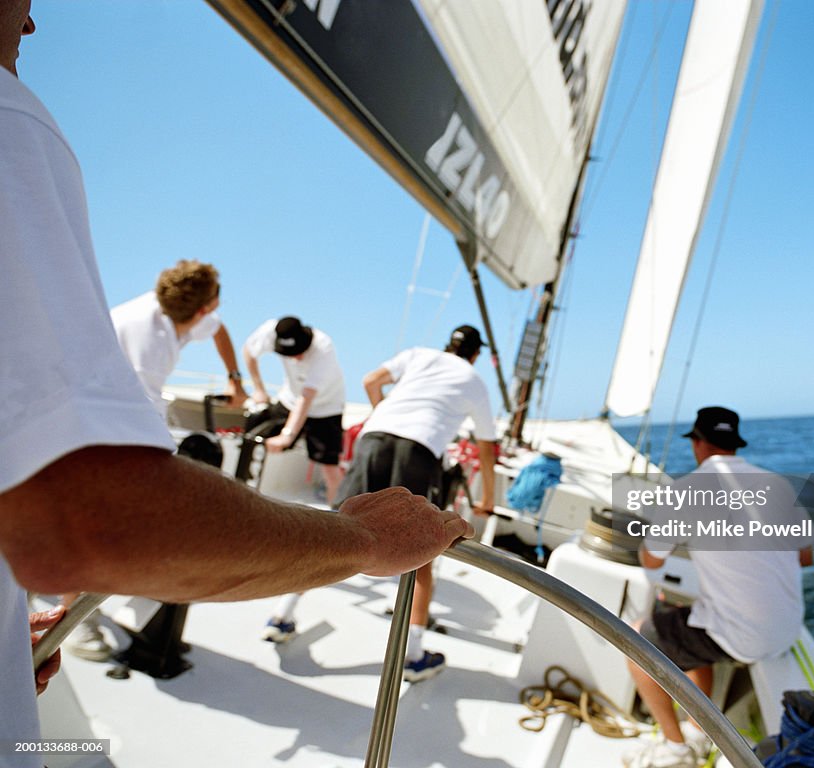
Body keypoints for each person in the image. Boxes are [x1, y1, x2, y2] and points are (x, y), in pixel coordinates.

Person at [0, 7, 473, 762]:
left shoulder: (255, 338)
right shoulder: (11, 121)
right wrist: (360, 539)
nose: (32, 22)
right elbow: (89, 519)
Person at [263, 325, 497, 684]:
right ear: (475, 354)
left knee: (339, 528)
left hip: (375, 437)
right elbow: (485, 446)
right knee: (423, 548)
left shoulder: (419, 355)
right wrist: (487, 500)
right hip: (419, 450)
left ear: (447, 344)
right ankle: (413, 654)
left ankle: (282, 614)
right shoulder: (474, 380)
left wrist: (384, 415)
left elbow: (371, 381)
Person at [63, 260, 250, 661]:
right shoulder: (149, 338)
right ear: (203, 307)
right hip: (87, 423)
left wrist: (235, 377)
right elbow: (140, 408)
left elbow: (219, 332)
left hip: (103, 414)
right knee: (95, 529)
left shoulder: (179, 314)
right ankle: (66, 620)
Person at [623, 407, 813, 768]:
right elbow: (805, 557)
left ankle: (677, 749)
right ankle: (697, 729)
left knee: (637, 640)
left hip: (745, 638)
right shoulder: (778, 485)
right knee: (692, 625)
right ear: (733, 445)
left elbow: (651, 561)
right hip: (788, 632)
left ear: (698, 444)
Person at [111, 260, 248, 417]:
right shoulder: (151, 344)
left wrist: (234, 380)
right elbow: (147, 412)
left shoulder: (172, 304)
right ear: (204, 310)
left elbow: (218, 330)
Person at [243, 316, 347, 505]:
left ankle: (340, 515)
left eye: (299, 353)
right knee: (253, 437)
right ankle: (244, 497)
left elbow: (307, 397)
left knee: (330, 468)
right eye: (290, 354)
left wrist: (288, 435)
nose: (296, 358)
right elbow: (249, 352)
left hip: (326, 408)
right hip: (290, 399)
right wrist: (259, 389)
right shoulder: (269, 331)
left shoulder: (323, 348)